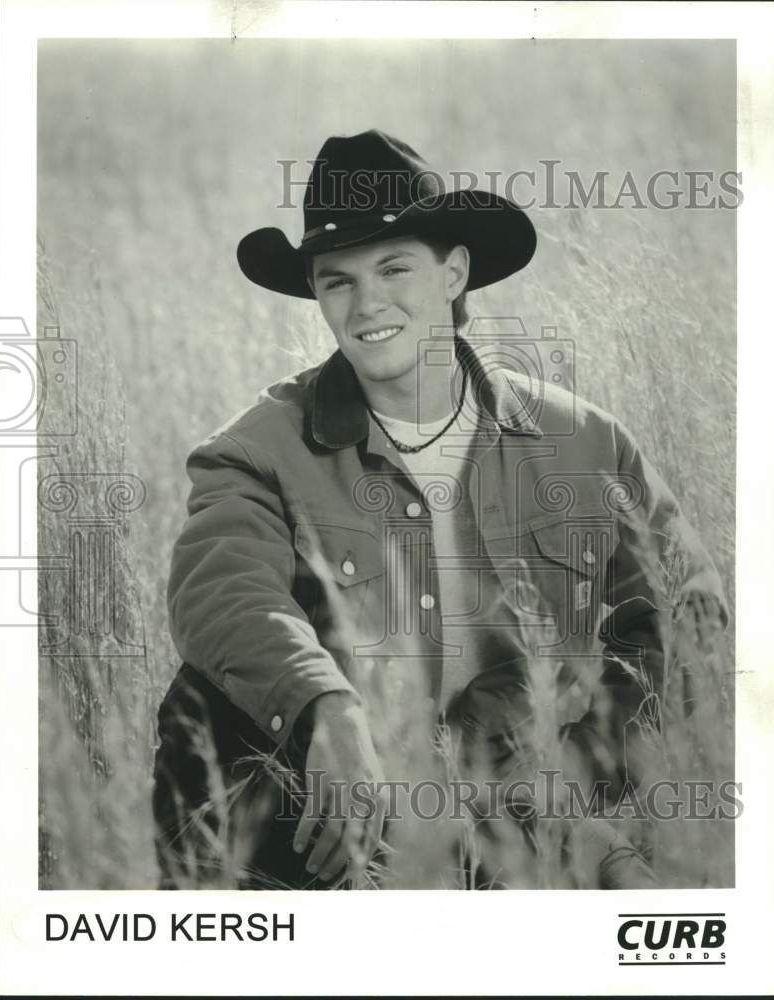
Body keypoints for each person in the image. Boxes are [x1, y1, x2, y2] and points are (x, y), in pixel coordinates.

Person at [152, 129, 727, 890]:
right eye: (338, 282)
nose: (367, 305)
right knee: (202, 701)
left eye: (393, 268)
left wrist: (584, 757)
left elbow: (687, 612)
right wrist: (325, 707)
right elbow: (221, 587)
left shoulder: (582, 441)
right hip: (349, 805)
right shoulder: (258, 450)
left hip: (534, 801)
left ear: (454, 271)